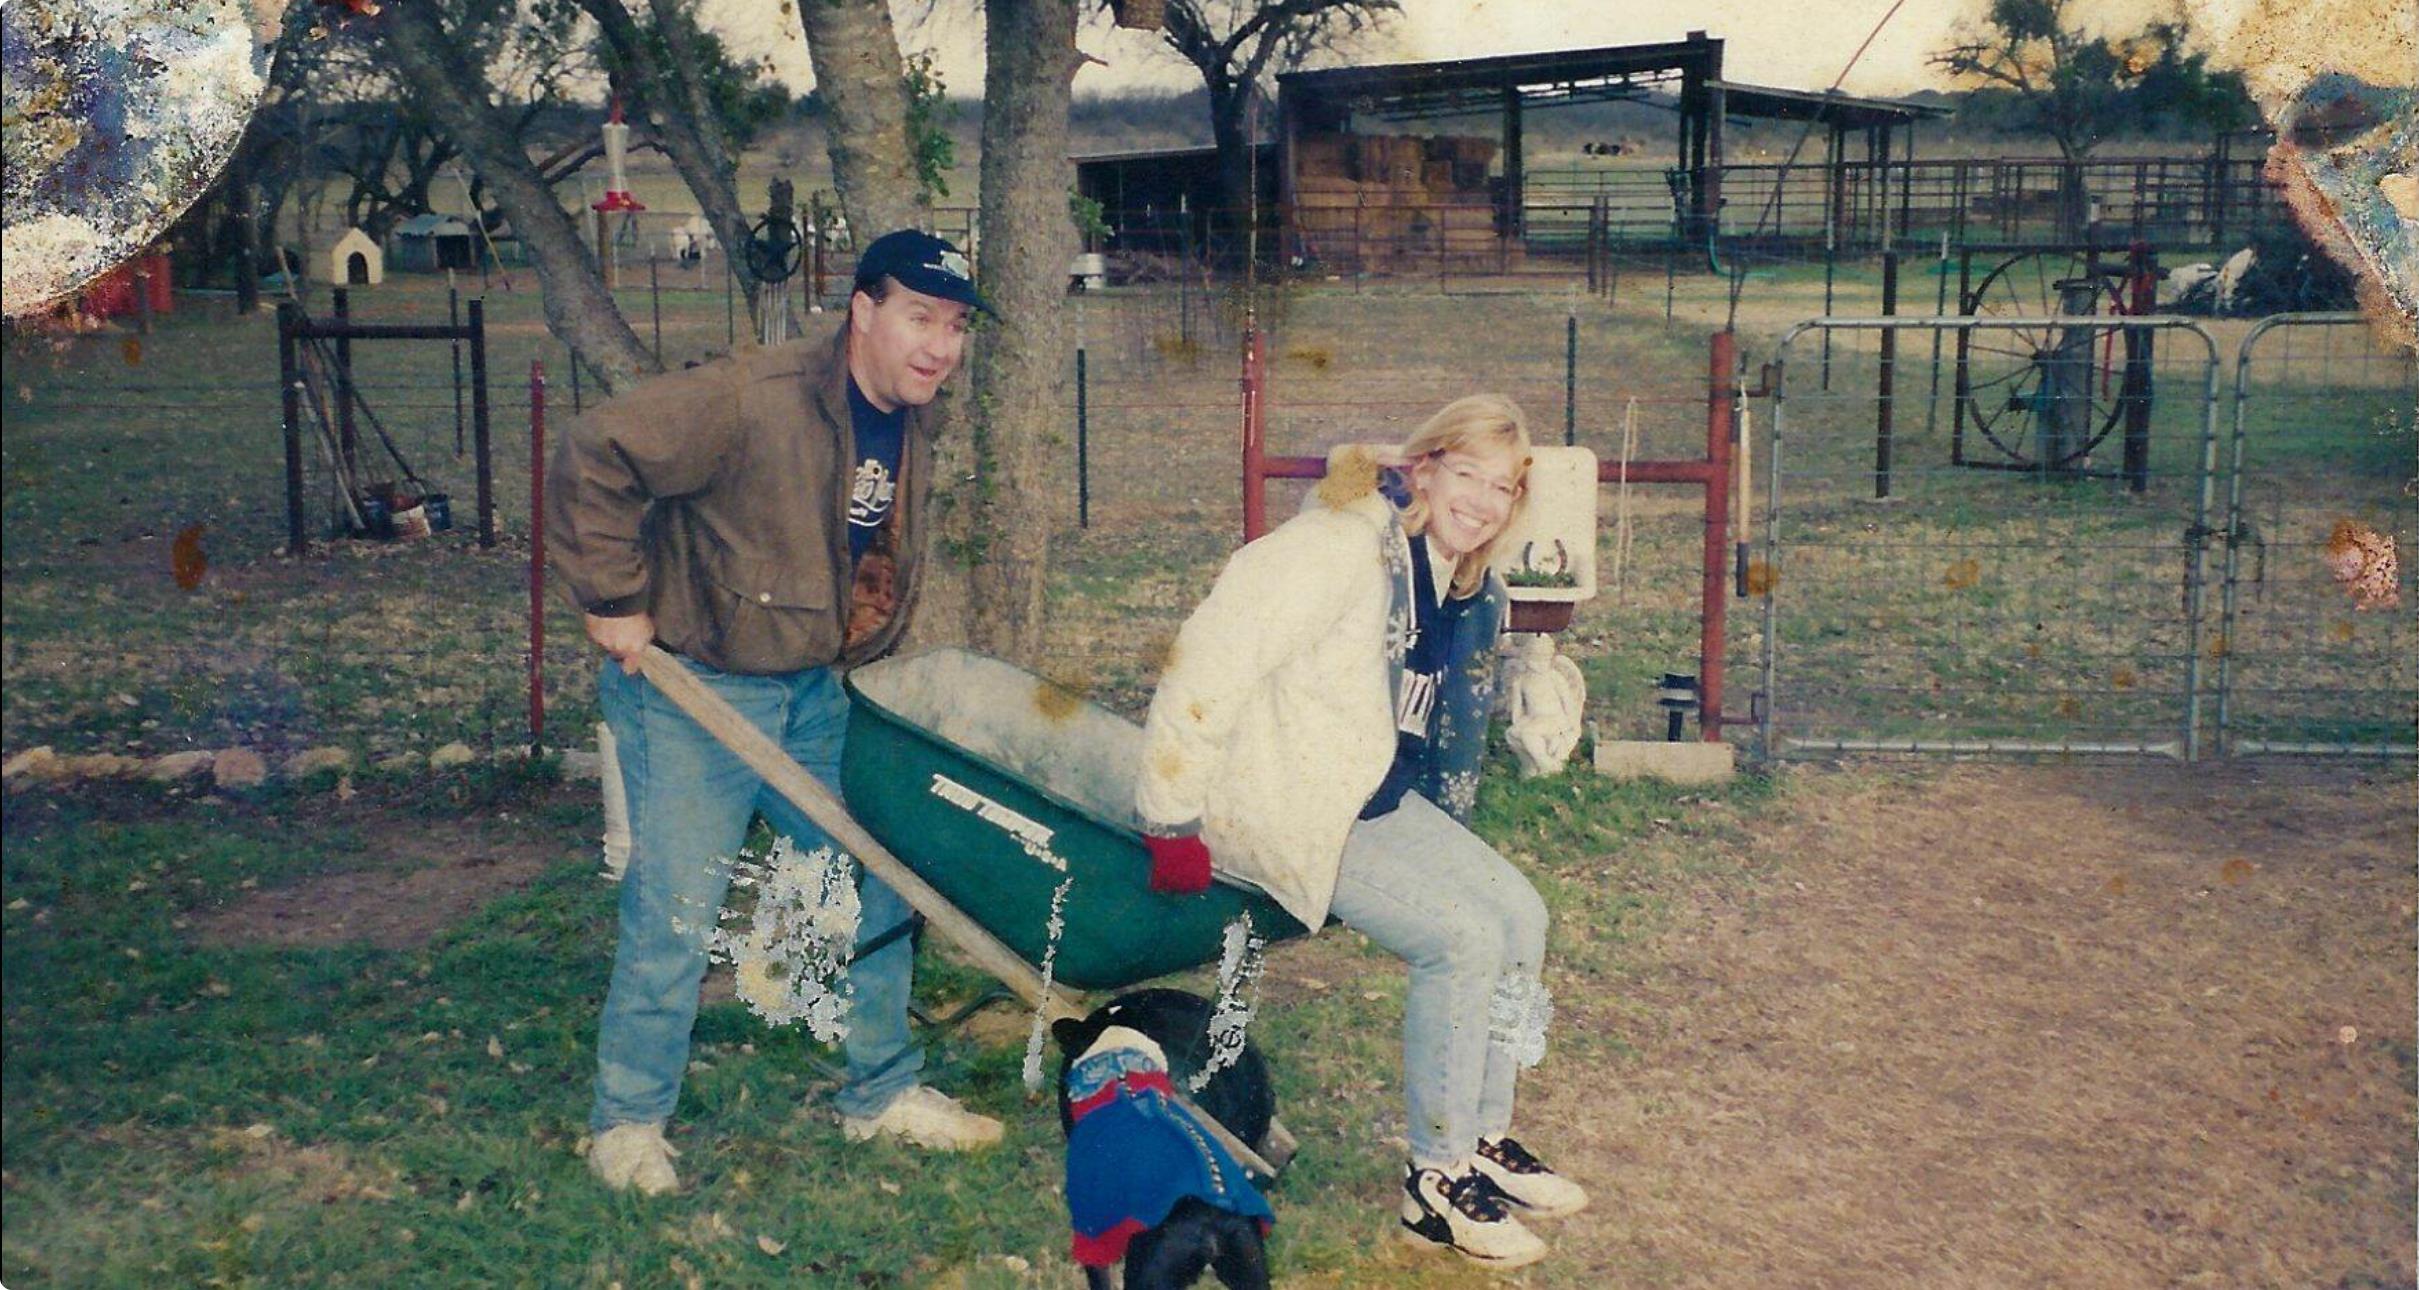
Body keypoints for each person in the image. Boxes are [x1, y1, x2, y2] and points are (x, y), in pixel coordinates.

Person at [548, 229, 1006, 1196]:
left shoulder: (905, 415)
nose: (940, 345)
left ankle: (879, 1094)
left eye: (956, 326)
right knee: (678, 908)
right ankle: (627, 1122)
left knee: (884, 871)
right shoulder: (748, 398)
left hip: (811, 692)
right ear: (863, 310)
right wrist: (613, 598)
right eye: (920, 317)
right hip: (694, 690)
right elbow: (597, 449)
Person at [1133, 394, 1587, 1269]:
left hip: (1359, 798)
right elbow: (1208, 657)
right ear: (1422, 469)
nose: (1484, 503)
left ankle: (1483, 1137)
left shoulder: (1449, 574)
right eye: (1467, 476)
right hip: (1278, 805)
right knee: (1457, 939)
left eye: (1502, 489)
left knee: (1519, 918)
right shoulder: (1336, 548)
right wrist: (1171, 814)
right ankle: (1435, 1181)